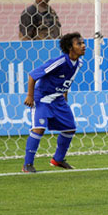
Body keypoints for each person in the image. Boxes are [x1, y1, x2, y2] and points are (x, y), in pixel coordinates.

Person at [22, 32, 85, 173]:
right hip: (42, 98)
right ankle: (27, 164)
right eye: (79, 43)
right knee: (39, 129)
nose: (83, 46)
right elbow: (33, 75)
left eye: (83, 43)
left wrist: (64, 95)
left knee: (70, 128)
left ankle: (58, 159)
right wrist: (30, 96)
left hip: (57, 100)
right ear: (70, 48)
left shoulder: (79, 63)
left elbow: (68, 80)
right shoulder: (60, 61)